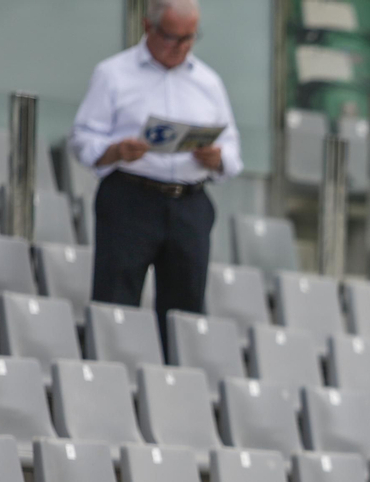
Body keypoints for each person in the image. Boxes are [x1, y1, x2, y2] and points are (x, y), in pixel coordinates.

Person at [70, 0, 242, 335]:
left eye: (189, 38)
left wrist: (217, 158)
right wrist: (115, 151)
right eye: (172, 37)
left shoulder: (208, 82)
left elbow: (232, 147)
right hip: (131, 198)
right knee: (116, 301)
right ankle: (112, 363)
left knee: (185, 313)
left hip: (189, 204)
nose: (181, 47)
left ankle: (174, 368)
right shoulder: (113, 74)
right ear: (149, 27)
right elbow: (82, 138)